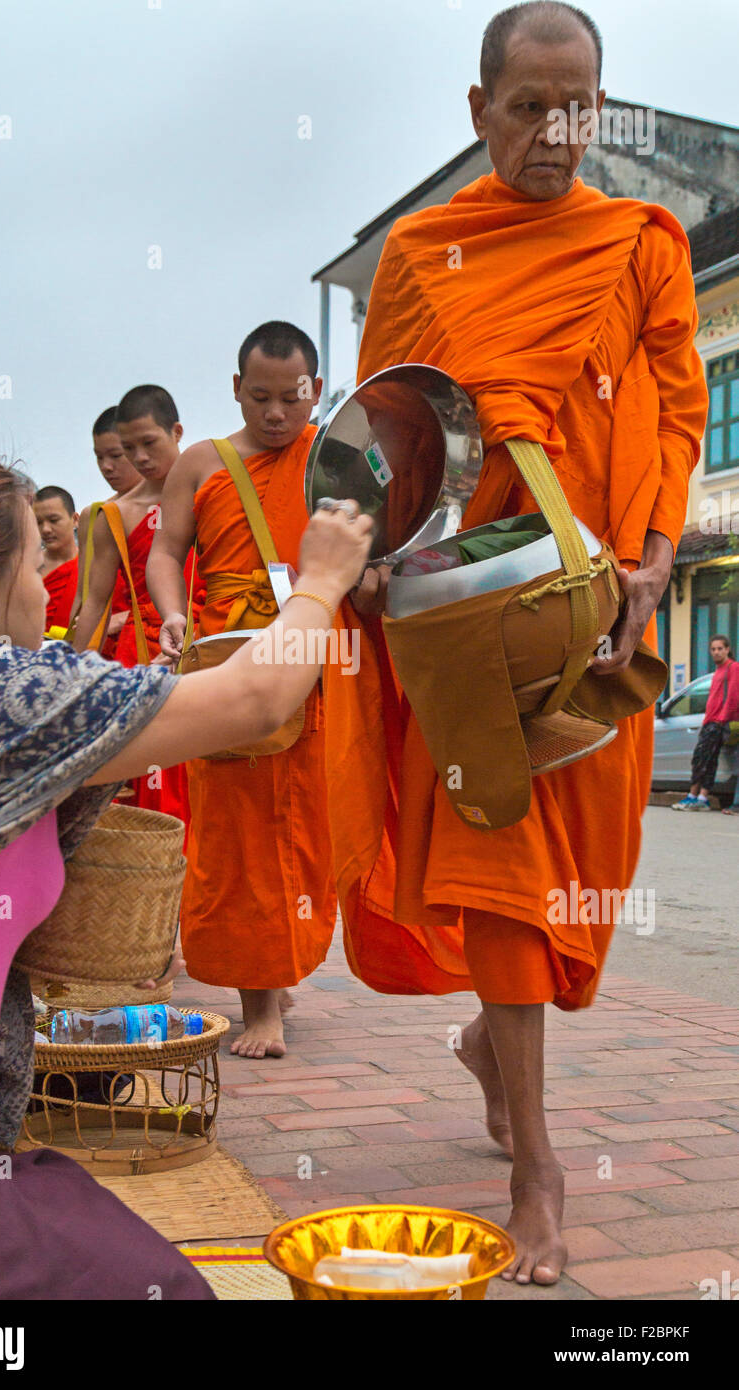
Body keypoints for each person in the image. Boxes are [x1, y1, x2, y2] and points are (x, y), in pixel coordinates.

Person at [320, 2, 708, 1285]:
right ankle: (538, 1168)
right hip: (471, 619)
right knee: (501, 866)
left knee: (584, 883)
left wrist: (654, 551)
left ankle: (499, 1042)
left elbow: (673, 399)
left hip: (602, 606)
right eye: (529, 105)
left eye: (578, 106)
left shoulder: (640, 241)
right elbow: (389, 437)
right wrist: (369, 563)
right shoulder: (425, 255)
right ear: (476, 107)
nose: (555, 132)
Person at [0, 445, 370, 1300]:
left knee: (63, 1198)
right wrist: (321, 581)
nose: (46, 588)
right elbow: (255, 698)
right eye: (38, 564)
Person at [147, 322, 337, 1060]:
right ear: (236, 389)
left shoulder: (334, 455)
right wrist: (170, 611)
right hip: (230, 664)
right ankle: (260, 1003)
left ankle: (280, 966)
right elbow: (168, 551)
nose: (277, 414)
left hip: (316, 665)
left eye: (292, 398)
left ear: (315, 391)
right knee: (242, 840)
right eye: (260, 397)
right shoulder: (203, 463)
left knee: (309, 837)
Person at [71, 386, 204, 825]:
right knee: (152, 795)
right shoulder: (115, 514)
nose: (140, 458)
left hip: (211, 641)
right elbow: (92, 604)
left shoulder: (215, 488)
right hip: (143, 658)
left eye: (149, 444)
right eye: (130, 449)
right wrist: (72, 685)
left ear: (177, 431)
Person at [69, 408, 143, 657]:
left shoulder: (182, 501)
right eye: (99, 457)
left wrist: (125, 618)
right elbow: (87, 598)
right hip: (120, 648)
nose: (106, 467)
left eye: (115, 455)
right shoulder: (99, 515)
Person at [672, 635, 739, 811]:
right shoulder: (718, 671)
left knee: (703, 759)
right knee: (704, 760)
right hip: (710, 721)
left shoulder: (733, 667)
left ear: (727, 649)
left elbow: (733, 697)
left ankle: (697, 797)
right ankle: (697, 797)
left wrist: (721, 719)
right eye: (713, 649)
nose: (716, 652)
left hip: (718, 723)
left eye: (720, 648)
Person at [33, 485, 79, 634]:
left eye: (53, 520)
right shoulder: (25, 567)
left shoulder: (95, 565)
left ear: (75, 520)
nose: (45, 529)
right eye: (38, 522)